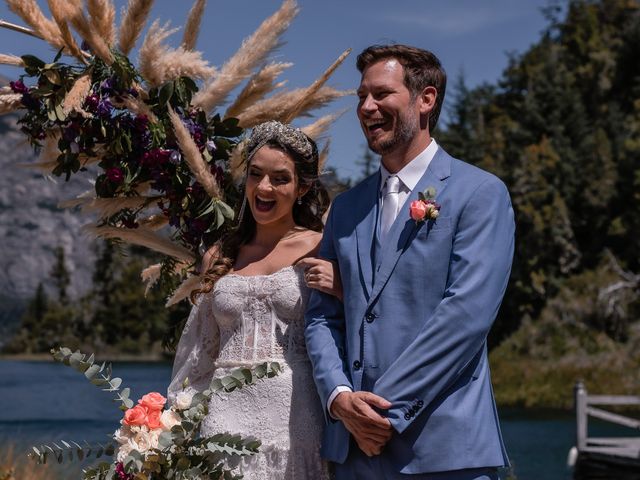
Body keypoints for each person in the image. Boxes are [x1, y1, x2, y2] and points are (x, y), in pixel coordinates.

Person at [305, 44, 515, 479]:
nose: (366, 107)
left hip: (444, 449)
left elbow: (465, 317)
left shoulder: (480, 193)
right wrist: (341, 399)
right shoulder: (345, 208)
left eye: (381, 94)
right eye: (361, 96)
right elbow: (322, 316)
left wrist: (381, 413)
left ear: (426, 99)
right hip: (355, 454)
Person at [168, 120, 339, 480]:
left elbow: (351, 327)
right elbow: (201, 351)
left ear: (303, 187)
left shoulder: (322, 245)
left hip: (296, 416)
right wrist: (172, 421)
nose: (264, 187)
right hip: (225, 416)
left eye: (280, 178)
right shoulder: (219, 254)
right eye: (256, 174)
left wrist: (341, 287)